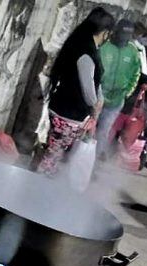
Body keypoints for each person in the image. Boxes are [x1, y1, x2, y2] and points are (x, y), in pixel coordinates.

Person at [38, 8, 115, 176]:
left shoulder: (79, 43)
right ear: (105, 33)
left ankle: (41, 182)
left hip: (61, 107)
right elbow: (88, 90)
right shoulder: (87, 52)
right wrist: (96, 106)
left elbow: (93, 80)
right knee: (53, 157)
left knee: (53, 153)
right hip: (69, 115)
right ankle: (37, 187)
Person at [97, 20, 142, 158]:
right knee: (87, 126)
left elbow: (136, 73)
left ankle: (92, 161)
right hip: (98, 96)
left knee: (103, 131)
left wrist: (127, 91)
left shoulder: (133, 51)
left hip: (116, 100)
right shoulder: (104, 46)